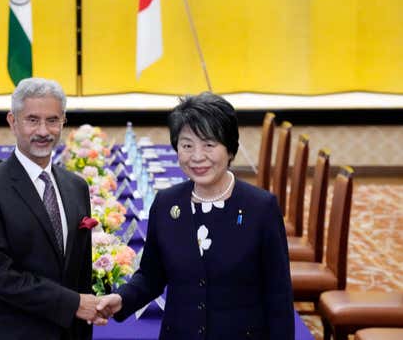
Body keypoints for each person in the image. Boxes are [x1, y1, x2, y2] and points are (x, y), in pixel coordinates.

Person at [97, 92, 295, 339]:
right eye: (187, 145)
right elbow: (151, 275)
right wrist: (121, 299)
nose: (197, 157)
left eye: (209, 145)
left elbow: (278, 296)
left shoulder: (260, 208)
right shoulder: (167, 203)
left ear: (230, 149)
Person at [0, 77, 103, 340]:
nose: (43, 131)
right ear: (13, 122)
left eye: (52, 120)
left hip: (66, 331)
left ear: (64, 122)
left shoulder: (76, 187)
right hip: (8, 331)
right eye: (32, 120)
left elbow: (80, 273)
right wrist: (72, 303)